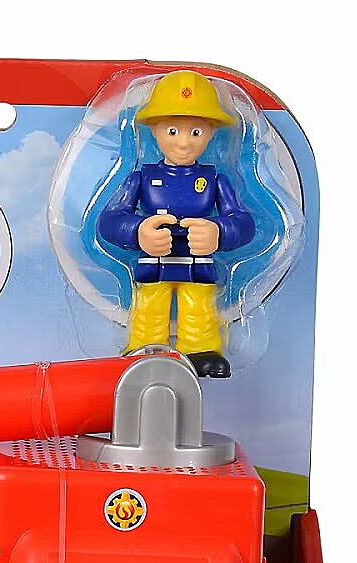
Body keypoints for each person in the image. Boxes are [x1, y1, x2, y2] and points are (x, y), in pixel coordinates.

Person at [98, 70, 255, 378]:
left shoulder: (215, 180)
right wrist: (138, 231)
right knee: (149, 309)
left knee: (199, 307)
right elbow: (110, 220)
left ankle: (200, 351)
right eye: (172, 131)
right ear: (155, 130)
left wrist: (218, 232)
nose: (183, 143)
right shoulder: (141, 178)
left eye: (195, 132)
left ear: (210, 133)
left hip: (197, 261)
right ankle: (145, 349)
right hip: (153, 261)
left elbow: (243, 222)